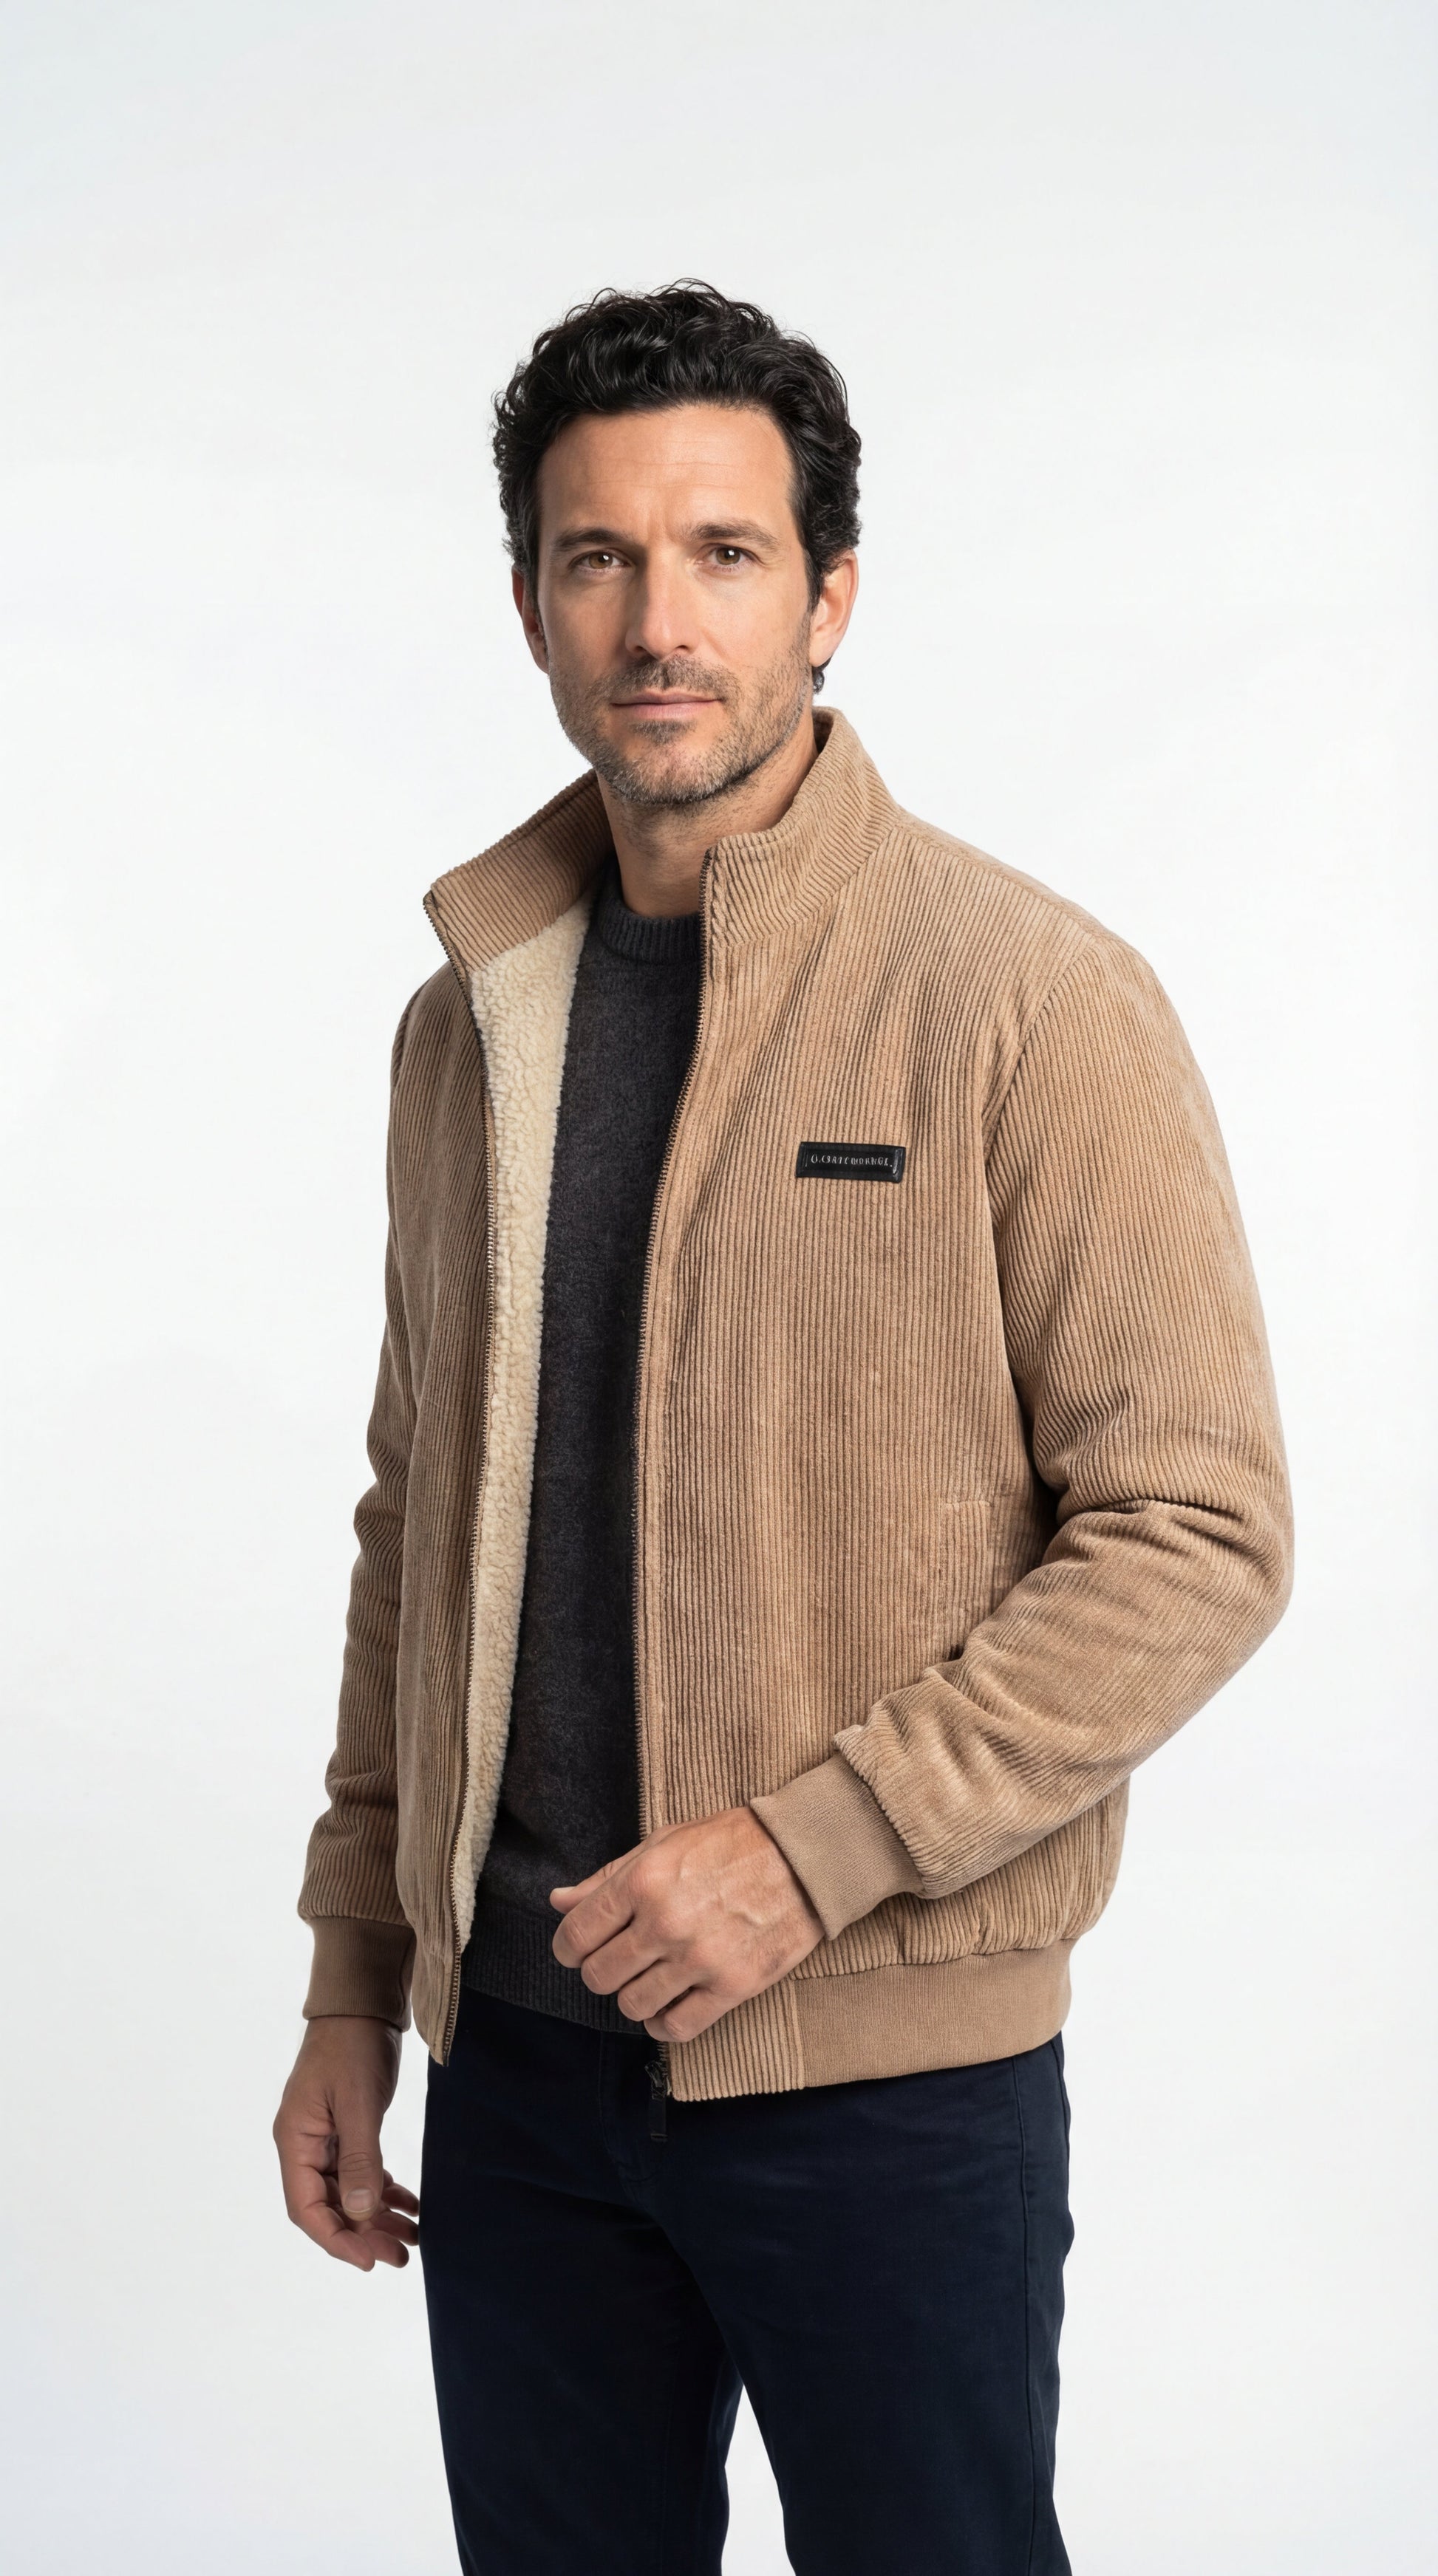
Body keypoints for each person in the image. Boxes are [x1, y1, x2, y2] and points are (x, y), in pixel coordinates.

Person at [273, 281, 1292, 2575]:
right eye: (598, 558)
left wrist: (809, 1848)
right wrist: (356, 1980)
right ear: (530, 605)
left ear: (828, 596)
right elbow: (415, 1525)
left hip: (888, 2082)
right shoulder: (470, 1029)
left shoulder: (1024, 998)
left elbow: (1195, 1529)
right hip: (516, 2073)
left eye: (723, 553)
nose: (659, 620)